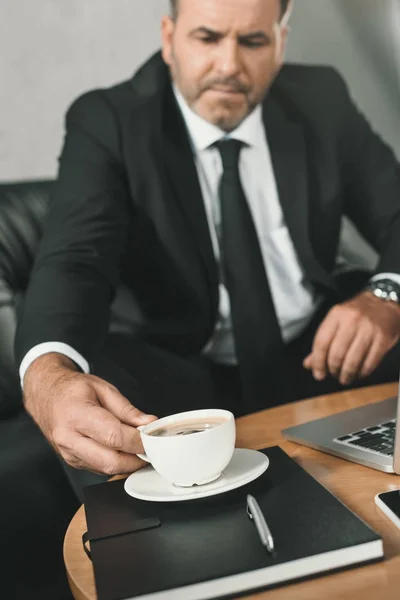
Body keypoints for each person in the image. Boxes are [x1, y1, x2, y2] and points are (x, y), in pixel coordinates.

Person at [15, 0, 400, 495]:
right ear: (169, 37)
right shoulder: (108, 120)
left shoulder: (321, 96)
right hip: (177, 372)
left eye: (253, 41)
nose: (228, 65)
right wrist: (47, 377)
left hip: (320, 352)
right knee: (95, 393)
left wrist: (387, 295)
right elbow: (75, 261)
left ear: (281, 42)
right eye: (207, 38)